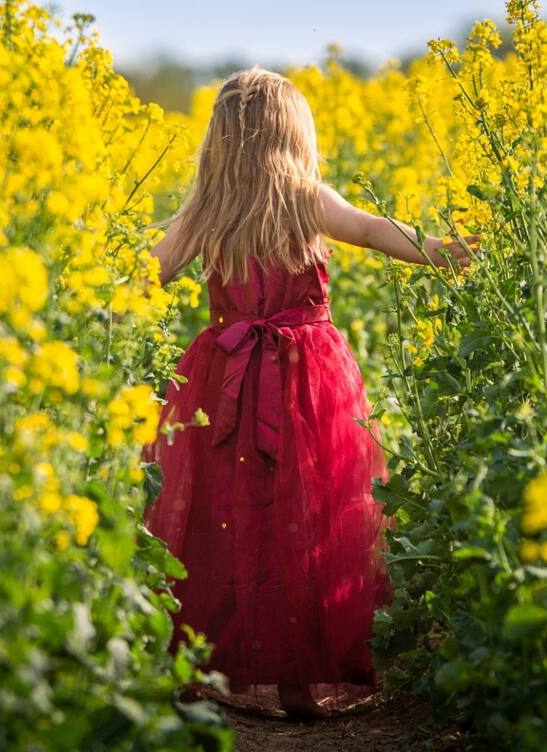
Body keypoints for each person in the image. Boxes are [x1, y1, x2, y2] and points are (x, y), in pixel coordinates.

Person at [141, 65, 479, 721]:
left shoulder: (208, 207)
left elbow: (148, 272)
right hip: (307, 378)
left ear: (220, 140)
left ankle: (212, 665)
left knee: (226, 515)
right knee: (309, 515)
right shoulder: (305, 197)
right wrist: (440, 250)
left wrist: (93, 288)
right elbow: (374, 229)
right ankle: (300, 679)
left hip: (225, 377)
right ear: (294, 135)